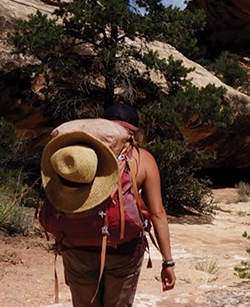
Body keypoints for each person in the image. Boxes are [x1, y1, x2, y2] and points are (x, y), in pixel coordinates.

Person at [40, 102, 175, 307]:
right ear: (133, 132)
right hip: (123, 249)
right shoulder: (142, 159)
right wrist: (167, 262)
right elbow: (157, 214)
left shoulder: (81, 156)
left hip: (75, 246)